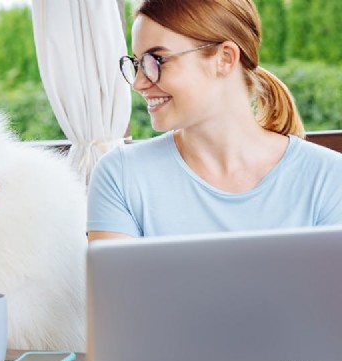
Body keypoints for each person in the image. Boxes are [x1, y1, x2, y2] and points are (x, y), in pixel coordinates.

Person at [88, 0, 342, 240]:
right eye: (137, 64)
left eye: (156, 60)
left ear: (225, 59)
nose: (139, 83)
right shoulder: (120, 175)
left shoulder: (329, 178)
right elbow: (117, 286)